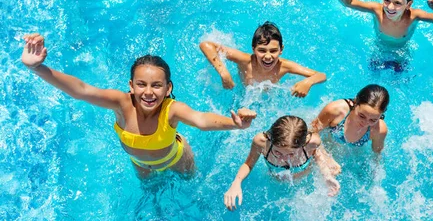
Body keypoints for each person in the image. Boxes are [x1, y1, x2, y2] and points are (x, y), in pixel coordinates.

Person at [21, 34, 257, 179]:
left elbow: (201, 120)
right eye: (141, 84)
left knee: (190, 188)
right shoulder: (121, 104)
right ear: (131, 86)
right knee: (149, 195)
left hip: (177, 159)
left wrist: (234, 124)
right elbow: (81, 90)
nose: (148, 92)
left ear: (167, 88)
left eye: (157, 85)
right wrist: (37, 68)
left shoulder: (171, 109)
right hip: (141, 164)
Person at [322, 0, 433, 69]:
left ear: (408, 4)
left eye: (398, 3)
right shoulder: (377, 10)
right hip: (379, 49)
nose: (390, 7)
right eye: (387, 0)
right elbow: (350, 2)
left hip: (401, 53)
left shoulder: (414, 16)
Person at [223, 116, 340, 211]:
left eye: (290, 154)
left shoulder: (312, 142)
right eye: (277, 153)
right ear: (270, 139)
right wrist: (236, 182)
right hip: (276, 179)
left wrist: (327, 176)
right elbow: (248, 164)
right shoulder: (261, 142)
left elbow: (317, 155)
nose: (283, 159)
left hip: (305, 180)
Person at [199, 22, 326, 97]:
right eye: (262, 50)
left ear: (281, 49)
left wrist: (308, 82)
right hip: (242, 94)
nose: (268, 56)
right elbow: (206, 45)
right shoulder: (246, 60)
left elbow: (321, 75)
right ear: (253, 49)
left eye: (273, 51)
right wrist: (223, 73)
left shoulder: (285, 66)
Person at [312, 85, 389, 174]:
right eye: (361, 116)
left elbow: (376, 155)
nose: (365, 123)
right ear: (355, 103)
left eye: (373, 120)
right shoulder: (335, 110)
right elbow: (311, 133)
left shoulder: (379, 130)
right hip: (326, 143)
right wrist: (325, 158)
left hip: (351, 155)